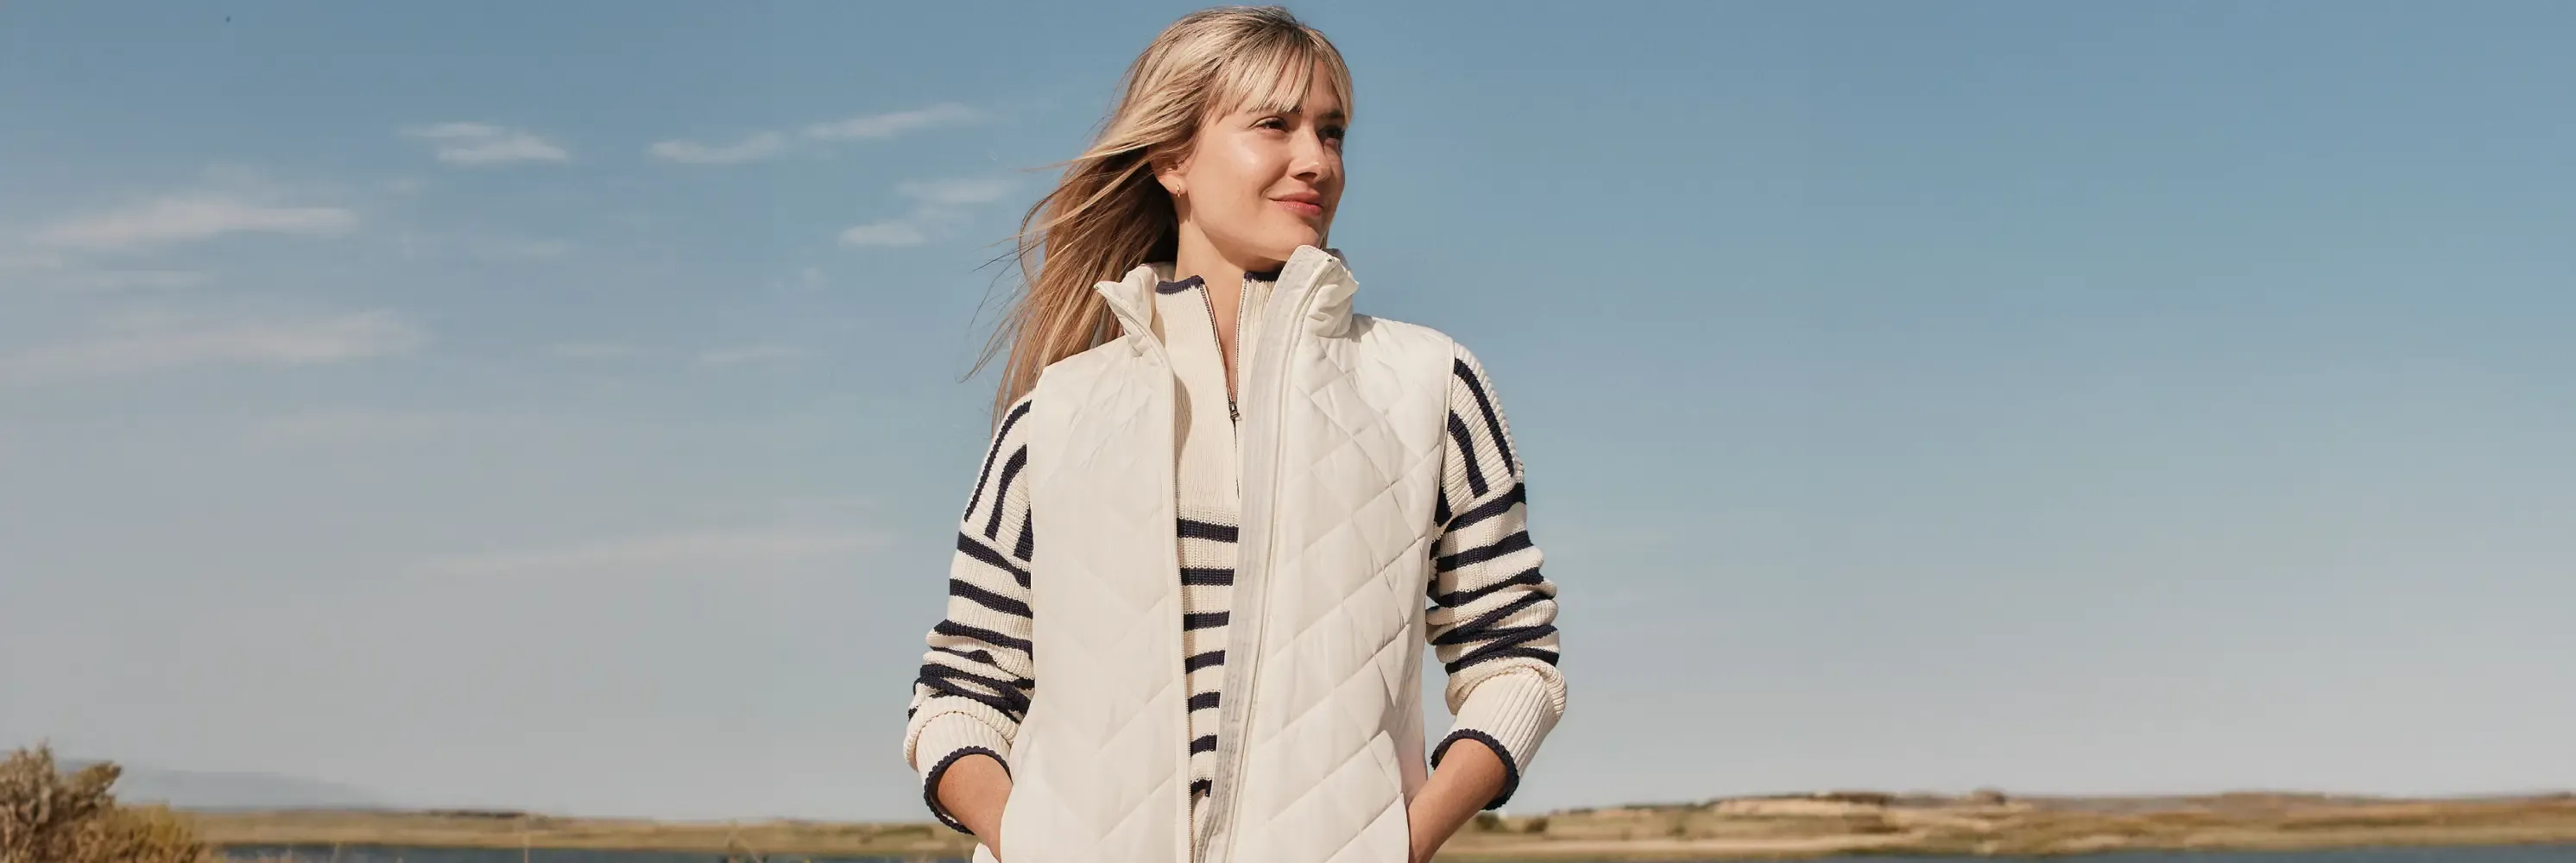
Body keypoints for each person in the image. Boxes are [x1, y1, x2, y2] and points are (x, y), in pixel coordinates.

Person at [899, 7, 1565, 862]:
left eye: (1331, 132)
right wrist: (1029, 840)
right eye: (1273, 126)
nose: (1315, 161)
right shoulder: (1053, 416)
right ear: (1171, 158)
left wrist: (1397, 842)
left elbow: (1513, 657)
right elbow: (958, 691)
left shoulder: (1430, 385)